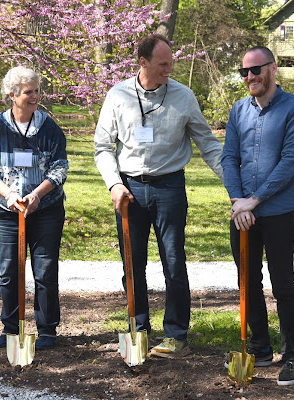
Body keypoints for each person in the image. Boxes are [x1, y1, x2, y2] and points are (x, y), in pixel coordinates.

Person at [94, 34, 223, 358]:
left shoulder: (183, 96)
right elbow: (102, 146)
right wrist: (114, 184)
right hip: (129, 190)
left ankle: (176, 334)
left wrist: (234, 186)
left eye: (171, 63)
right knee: (132, 265)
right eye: (163, 64)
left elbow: (208, 144)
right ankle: (138, 331)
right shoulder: (118, 95)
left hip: (169, 189)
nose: (170, 69)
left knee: (174, 262)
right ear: (143, 62)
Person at [221, 46, 294, 386]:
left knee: (282, 283)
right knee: (247, 281)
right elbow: (229, 158)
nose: (250, 77)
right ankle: (259, 348)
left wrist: (253, 201)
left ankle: (292, 357)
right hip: (242, 210)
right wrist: (238, 201)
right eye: (244, 72)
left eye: (256, 70)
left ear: (273, 68)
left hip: (278, 211)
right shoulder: (238, 110)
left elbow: (290, 161)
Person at [0, 66, 69, 350]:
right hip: (6, 212)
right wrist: (7, 195)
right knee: (9, 271)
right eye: (28, 92)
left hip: (46, 210)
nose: (35, 96)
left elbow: (60, 168)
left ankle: (47, 331)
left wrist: (38, 195)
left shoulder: (49, 127)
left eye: (37, 90)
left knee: (44, 270)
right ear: (12, 95)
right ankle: (10, 329)